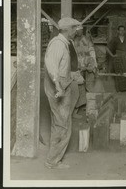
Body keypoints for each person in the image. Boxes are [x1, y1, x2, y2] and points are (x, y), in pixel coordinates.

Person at [44, 17, 81, 169]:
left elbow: (62, 67)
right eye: (73, 28)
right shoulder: (58, 45)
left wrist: (72, 76)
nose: (75, 31)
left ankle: (53, 159)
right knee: (62, 125)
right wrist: (59, 87)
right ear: (66, 30)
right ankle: (52, 161)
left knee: (61, 124)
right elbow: (52, 66)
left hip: (63, 87)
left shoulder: (65, 43)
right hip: (58, 90)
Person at [73, 26, 98, 114]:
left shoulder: (87, 39)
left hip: (89, 64)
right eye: (77, 30)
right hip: (79, 65)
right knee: (79, 85)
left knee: (89, 85)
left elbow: (92, 52)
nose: (78, 32)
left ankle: (90, 106)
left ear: (82, 30)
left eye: (80, 30)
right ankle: (79, 106)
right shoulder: (73, 40)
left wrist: (93, 65)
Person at [107, 25, 126, 92]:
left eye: (123, 30)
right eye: (120, 30)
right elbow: (107, 48)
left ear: (125, 31)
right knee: (119, 73)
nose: (121, 31)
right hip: (118, 58)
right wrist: (113, 55)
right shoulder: (115, 39)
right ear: (118, 31)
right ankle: (119, 89)